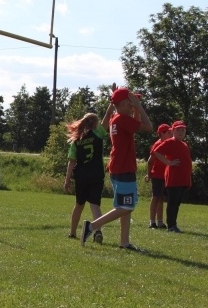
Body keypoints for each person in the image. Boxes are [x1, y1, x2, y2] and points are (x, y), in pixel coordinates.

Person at [81, 87, 152, 250]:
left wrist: (135, 108)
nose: (134, 105)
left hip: (118, 167)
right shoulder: (122, 119)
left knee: (125, 207)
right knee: (126, 207)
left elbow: (135, 124)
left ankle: (124, 242)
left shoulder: (116, 118)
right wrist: (139, 108)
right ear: (122, 104)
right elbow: (148, 127)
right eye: (131, 102)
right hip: (123, 168)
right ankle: (91, 227)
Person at [63, 110, 112, 241]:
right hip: (96, 174)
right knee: (95, 204)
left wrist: (67, 179)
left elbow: (71, 161)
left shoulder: (76, 140)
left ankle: (72, 232)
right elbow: (107, 118)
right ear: (95, 123)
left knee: (79, 204)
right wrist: (111, 105)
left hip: (81, 176)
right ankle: (98, 231)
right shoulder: (98, 134)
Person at [151, 121, 192, 233]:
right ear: (173, 131)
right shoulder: (169, 142)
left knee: (177, 203)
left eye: (183, 130)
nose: (181, 132)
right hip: (173, 178)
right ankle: (171, 225)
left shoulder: (184, 144)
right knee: (172, 202)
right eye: (178, 130)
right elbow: (156, 152)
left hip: (183, 179)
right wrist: (168, 162)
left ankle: (174, 224)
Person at [144, 123, 172, 229]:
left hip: (164, 175)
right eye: (168, 132)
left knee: (161, 198)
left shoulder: (168, 144)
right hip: (157, 175)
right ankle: (152, 221)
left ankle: (160, 221)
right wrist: (149, 173)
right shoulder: (158, 144)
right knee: (155, 197)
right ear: (161, 133)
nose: (171, 134)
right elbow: (150, 161)